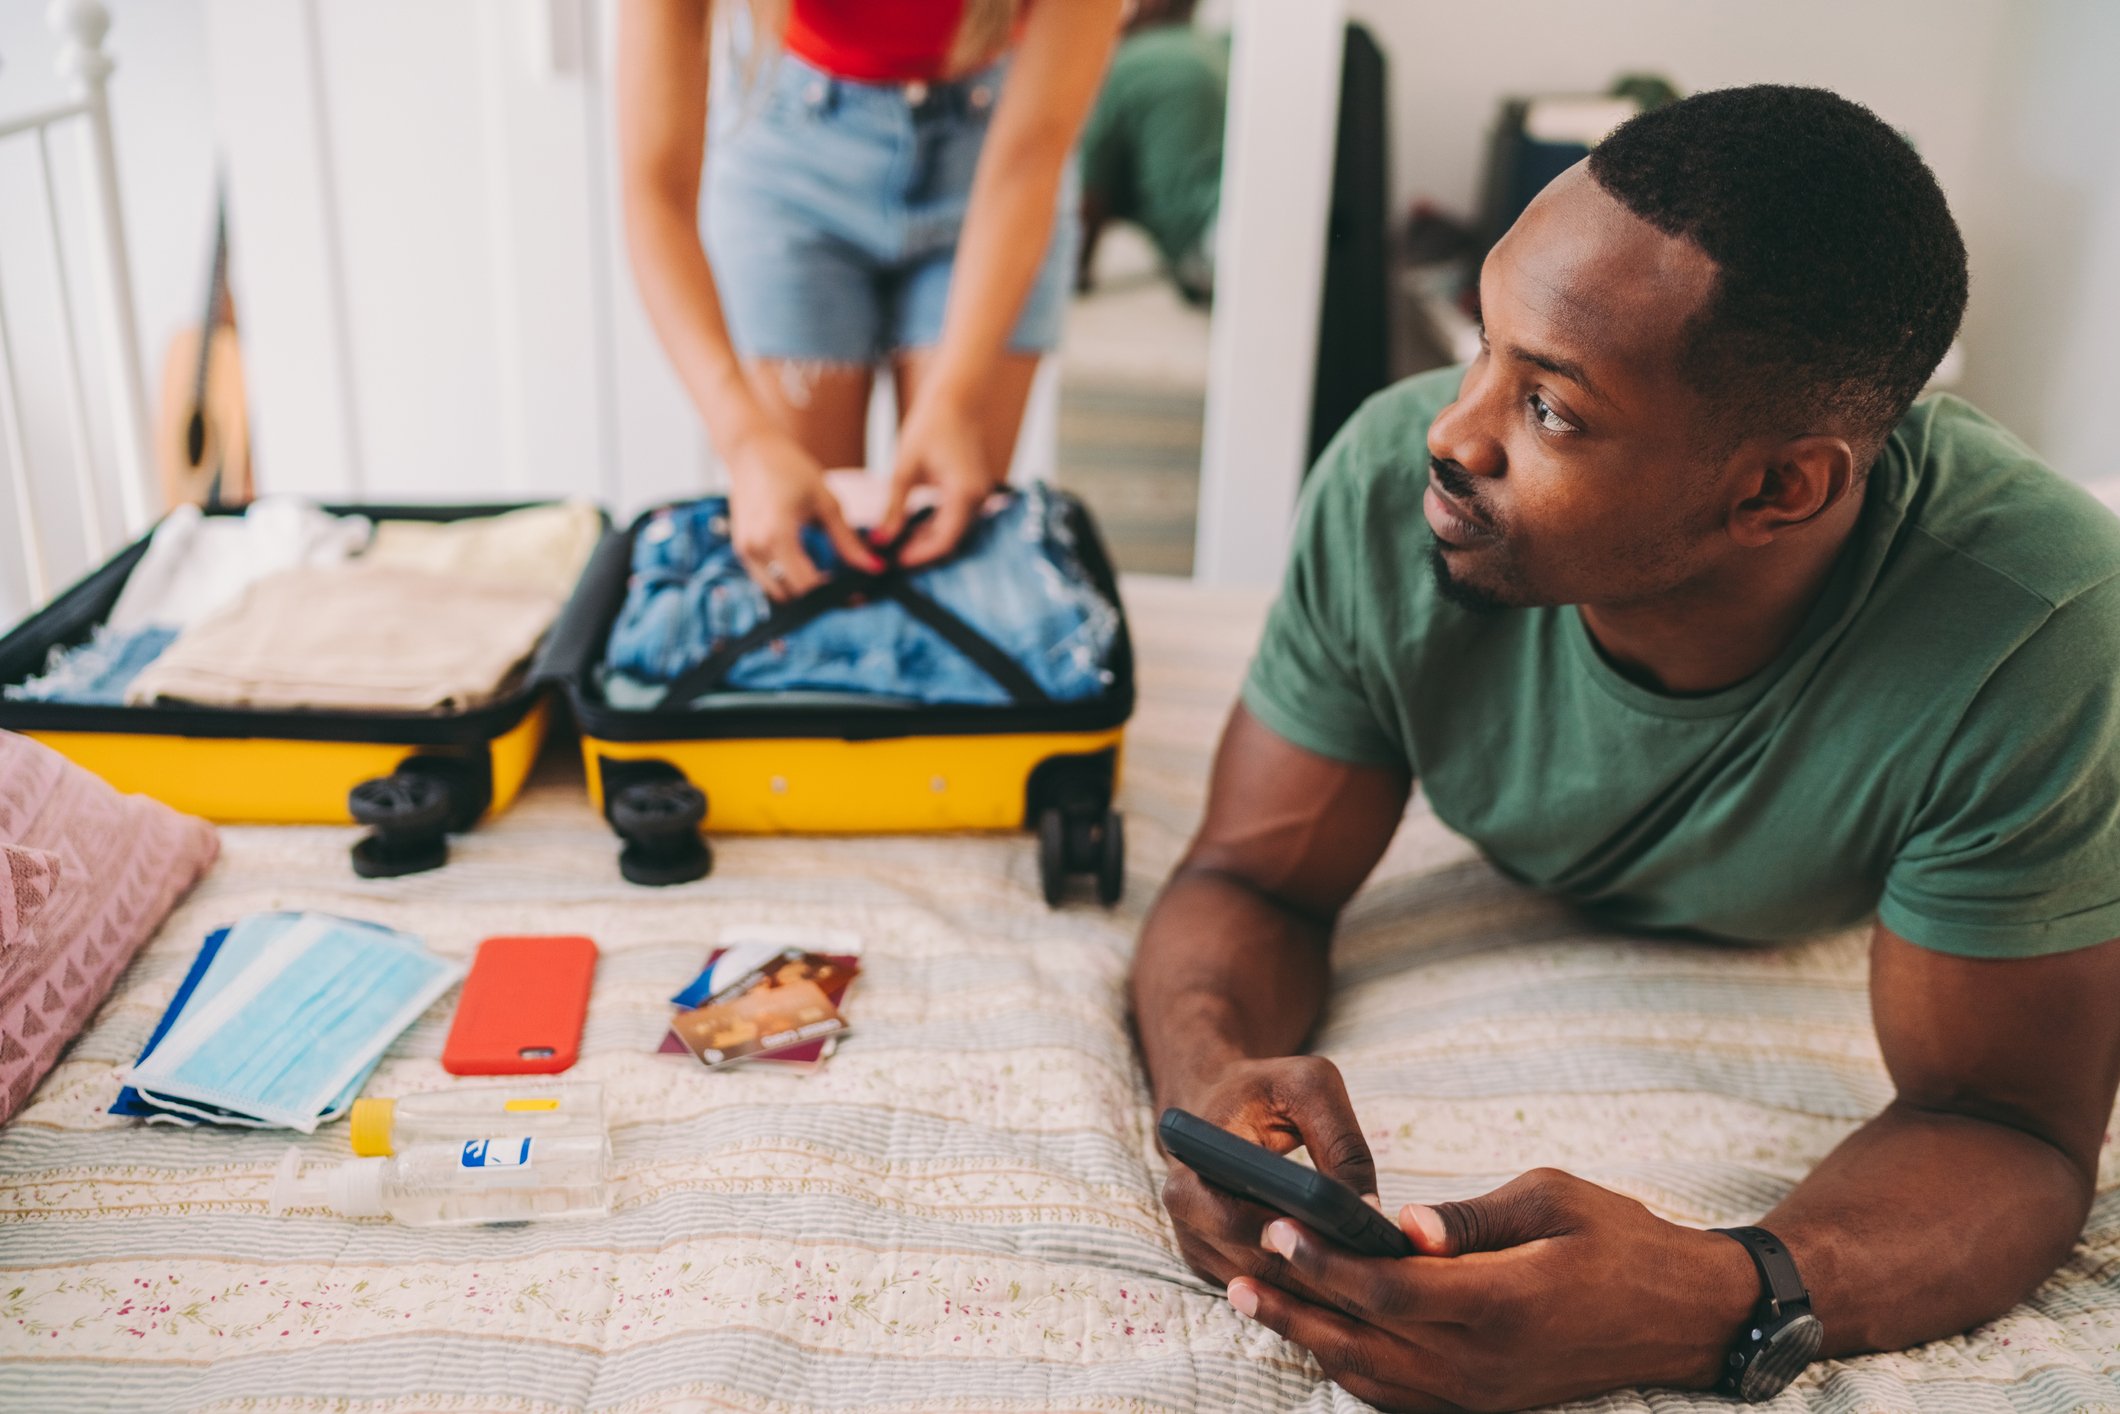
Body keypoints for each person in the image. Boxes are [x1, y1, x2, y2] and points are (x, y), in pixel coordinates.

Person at [1129, 84, 2120, 1411]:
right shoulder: (1386, 494)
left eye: (1552, 408)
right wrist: (1214, 1101)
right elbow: (1253, 878)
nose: (1451, 430)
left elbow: (2008, 1126)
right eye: (1482, 343)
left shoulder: (2035, 627)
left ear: (1779, 488)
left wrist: (1716, 1295)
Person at [617, 0, 1123, 601]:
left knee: (950, 563)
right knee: (814, 567)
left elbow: (1032, 155)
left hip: (996, 150)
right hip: (791, 155)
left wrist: (956, 398)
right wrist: (744, 441)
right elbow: (656, 192)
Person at [1076, 0, 1227, 304]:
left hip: (1207, 245)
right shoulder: (1211, 48)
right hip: (1233, 224)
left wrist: (1075, 274)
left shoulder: (1128, 63)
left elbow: (1087, 202)